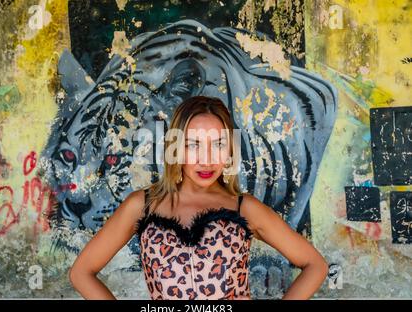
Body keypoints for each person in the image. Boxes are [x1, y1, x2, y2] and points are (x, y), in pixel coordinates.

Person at [69, 95, 329, 300]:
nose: (207, 158)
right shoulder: (142, 206)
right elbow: (81, 273)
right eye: (194, 144)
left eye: (217, 144)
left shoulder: (244, 208)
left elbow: (315, 265)